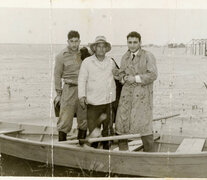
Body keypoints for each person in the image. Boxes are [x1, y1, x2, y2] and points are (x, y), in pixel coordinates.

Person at [114, 31, 158, 152]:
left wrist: (135, 78)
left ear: (140, 42)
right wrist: (122, 78)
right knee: (121, 125)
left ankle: (149, 156)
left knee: (145, 127)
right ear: (127, 43)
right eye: (130, 42)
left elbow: (153, 74)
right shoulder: (125, 57)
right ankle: (123, 155)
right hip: (126, 96)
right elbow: (121, 73)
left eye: (135, 42)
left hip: (143, 97)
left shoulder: (148, 56)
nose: (132, 45)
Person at [78, 36, 116, 149]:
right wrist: (82, 96)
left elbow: (118, 76)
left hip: (109, 102)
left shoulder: (111, 62)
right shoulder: (87, 62)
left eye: (103, 46)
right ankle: (93, 153)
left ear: (106, 48)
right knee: (94, 131)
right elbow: (81, 80)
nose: (101, 49)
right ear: (94, 48)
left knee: (108, 131)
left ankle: (106, 152)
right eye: (98, 46)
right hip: (93, 103)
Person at [54, 30, 87, 143]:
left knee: (83, 120)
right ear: (67, 41)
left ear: (79, 41)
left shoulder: (84, 53)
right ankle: (61, 147)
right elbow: (57, 75)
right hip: (69, 89)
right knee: (65, 120)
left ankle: (81, 147)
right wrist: (58, 94)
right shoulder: (61, 56)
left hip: (83, 90)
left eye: (76, 41)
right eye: (71, 41)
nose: (74, 44)